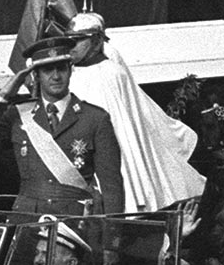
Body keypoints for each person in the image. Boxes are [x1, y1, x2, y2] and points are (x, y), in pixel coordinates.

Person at [0, 35, 124, 218]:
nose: (56, 76)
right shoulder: (17, 115)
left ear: (70, 70)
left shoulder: (95, 118)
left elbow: (112, 187)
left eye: (61, 68)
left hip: (76, 223)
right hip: (28, 222)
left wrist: (111, 243)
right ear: (36, 75)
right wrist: (3, 95)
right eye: (48, 69)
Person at [62, 11, 204, 212]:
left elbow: (119, 127)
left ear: (95, 41)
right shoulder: (71, 73)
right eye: (68, 41)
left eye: (76, 41)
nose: (71, 47)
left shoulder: (111, 74)